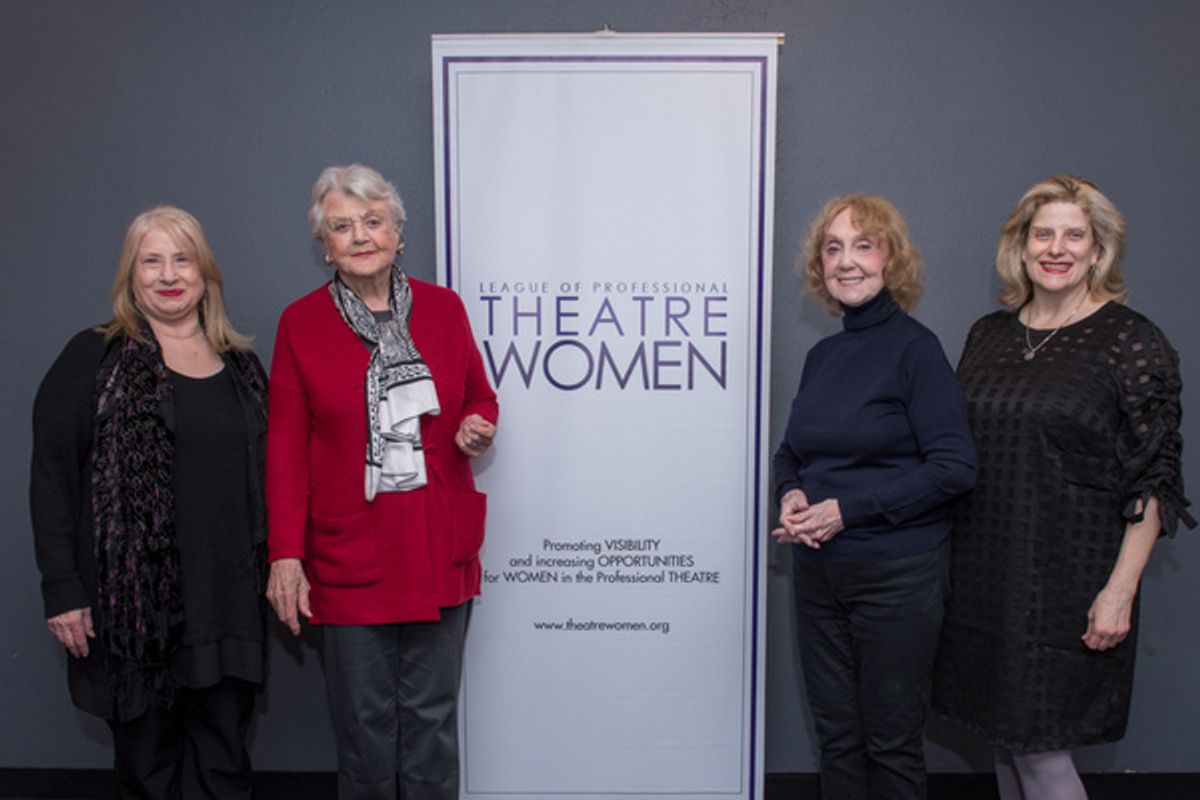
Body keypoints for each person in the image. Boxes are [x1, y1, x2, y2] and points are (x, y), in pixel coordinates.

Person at [932, 175, 1195, 800]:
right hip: (982, 577)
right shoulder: (987, 335)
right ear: (1020, 248)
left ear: (1098, 251)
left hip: (1067, 583)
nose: (1057, 247)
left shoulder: (1131, 342)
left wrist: (1119, 592)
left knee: (1042, 755)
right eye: (1042, 233)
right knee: (1003, 743)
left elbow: (1156, 478)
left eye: (1074, 235)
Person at [265, 163, 498, 800]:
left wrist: (476, 426)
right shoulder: (301, 324)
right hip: (351, 554)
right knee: (364, 732)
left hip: (434, 547)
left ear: (399, 232)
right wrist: (286, 555)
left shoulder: (445, 310)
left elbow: (481, 397)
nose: (360, 235)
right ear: (325, 245)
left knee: (432, 726)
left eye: (373, 221)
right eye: (343, 226)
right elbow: (284, 447)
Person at [30, 206, 268, 799]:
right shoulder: (93, 358)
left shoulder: (243, 369)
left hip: (228, 606)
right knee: (148, 774)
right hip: (133, 617)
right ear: (130, 276)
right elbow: (52, 477)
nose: (169, 274)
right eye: (152, 260)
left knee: (225, 766)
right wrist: (62, 588)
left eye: (182, 259)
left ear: (205, 272)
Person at [773, 194, 976, 799]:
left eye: (864, 245)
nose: (847, 261)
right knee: (836, 740)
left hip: (897, 577)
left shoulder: (917, 350)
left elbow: (955, 468)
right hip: (817, 575)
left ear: (891, 260)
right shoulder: (823, 356)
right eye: (833, 248)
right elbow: (792, 453)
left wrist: (844, 510)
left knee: (889, 745)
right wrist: (791, 493)